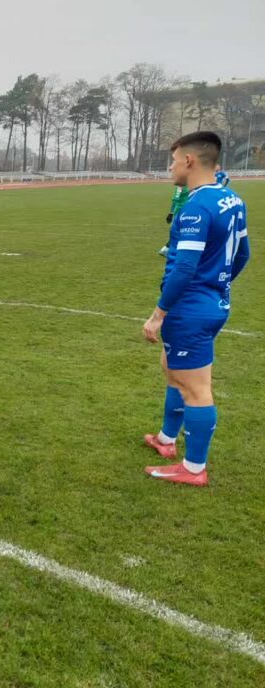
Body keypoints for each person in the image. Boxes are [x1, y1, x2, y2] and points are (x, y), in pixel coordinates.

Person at [141, 132, 250, 487]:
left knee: (195, 388)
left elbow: (184, 268)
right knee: (174, 369)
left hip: (190, 308)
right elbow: (243, 254)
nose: (170, 167)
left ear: (189, 160)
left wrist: (159, 314)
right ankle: (167, 439)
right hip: (211, 304)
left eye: (173, 160)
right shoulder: (232, 199)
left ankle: (193, 468)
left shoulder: (196, 207)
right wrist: (218, 285)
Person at [158, 181, 190, 257]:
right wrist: (171, 213)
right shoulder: (180, 186)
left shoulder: (190, 185)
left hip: (187, 210)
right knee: (181, 231)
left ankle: (167, 249)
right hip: (181, 211)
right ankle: (166, 249)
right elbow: (175, 199)